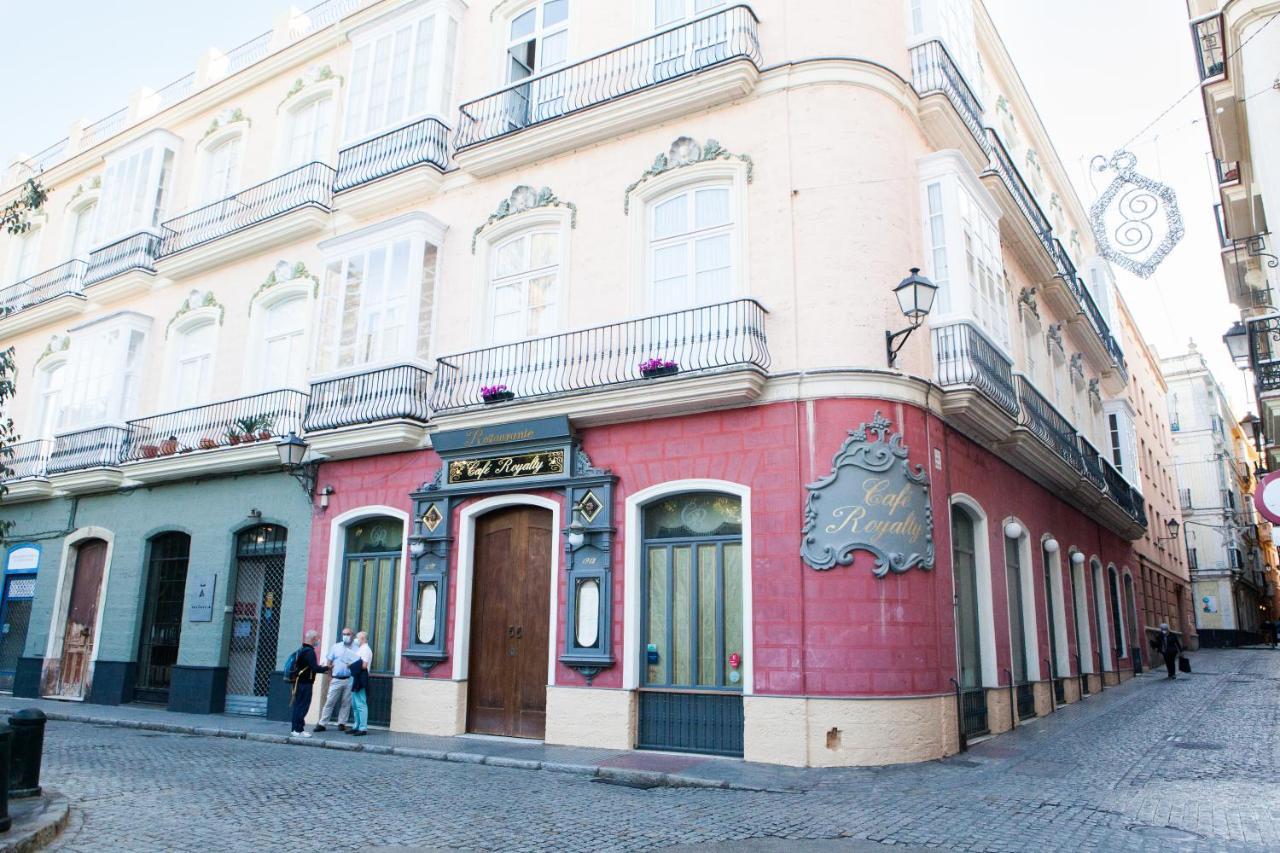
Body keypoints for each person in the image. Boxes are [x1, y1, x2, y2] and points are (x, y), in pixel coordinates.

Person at [315, 627, 359, 732]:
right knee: (330, 701)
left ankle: (342, 723)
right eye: (344, 634)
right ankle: (322, 723)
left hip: (349, 679)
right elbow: (329, 662)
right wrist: (329, 677)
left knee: (346, 703)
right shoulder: (336, 647)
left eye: (348, 634)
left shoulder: (357, 648)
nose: (346, 636)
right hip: (336, 679)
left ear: (352, 635)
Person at [289, 630, 329, 738]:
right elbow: (314, 668)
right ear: (314, 639)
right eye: (318, 639)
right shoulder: (310, 652)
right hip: (305, 683)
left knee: (298, 706)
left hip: (299, 682)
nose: (318, 641)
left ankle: (296, 729)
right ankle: (298, 730)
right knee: (302, 707)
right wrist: (327, 668)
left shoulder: (302, 650)